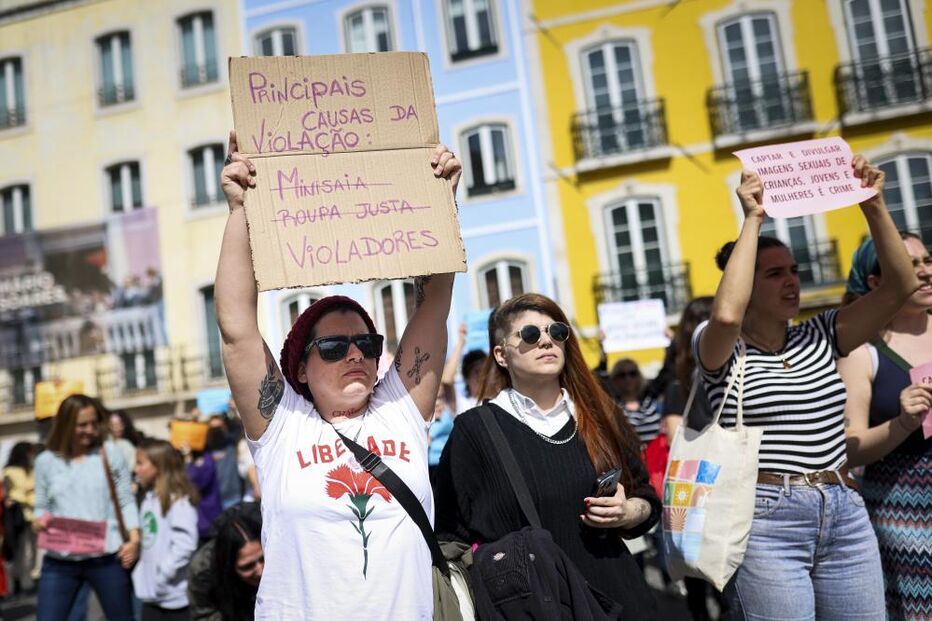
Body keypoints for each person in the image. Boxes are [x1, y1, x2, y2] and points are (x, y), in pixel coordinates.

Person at [216, 131, 461, 618]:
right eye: (332, 346)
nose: (354, 354)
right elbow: (237, 326)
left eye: (366, 344)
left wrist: (440, 206)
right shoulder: (282, 425)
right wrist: (240, 211)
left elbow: (432, 308)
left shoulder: (400, 412)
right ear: (300, 369)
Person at [694, 158, 918, 618]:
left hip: (844, 508)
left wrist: (874, 205)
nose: (792, 280)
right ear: (743, 283)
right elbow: (726, 316)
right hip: (765, 518)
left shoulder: (821, 333)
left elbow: (900, 286)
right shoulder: (719, 346)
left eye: (793, 271)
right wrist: (753, 219)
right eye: (774, 274)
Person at [435, 293, 661, 616]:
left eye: (556, 332)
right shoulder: (474, 431)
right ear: (501, 355)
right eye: (530, 334)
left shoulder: (600, 414)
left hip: (619, 600)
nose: (546, 341)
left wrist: (627, 512)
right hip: (533, 608)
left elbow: (648, 501)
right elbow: (449, 537)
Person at [837, 232, 932, 620]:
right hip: (904, 507)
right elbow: (850, 445)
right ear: (876, 284)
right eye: (910, 266)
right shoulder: (863, 352)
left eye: (927, 260)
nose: (925, 272)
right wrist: (902, 422)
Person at [34, 394, 140, 621]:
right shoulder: (45, 461)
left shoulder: (109, 453)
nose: (90, 429)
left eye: (94, 423)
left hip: (106, 557)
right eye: (82, 424)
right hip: (60, 561)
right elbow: (41, 506)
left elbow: (125, 500)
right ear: (66, 424)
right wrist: (38, 521)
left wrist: (134, 539)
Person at [660, 296, 726, 621]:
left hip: (695, 486)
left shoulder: (678, 383)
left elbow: (675, 436)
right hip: (729, 483)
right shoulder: (734, 378)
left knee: (696, 569)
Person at [132, 439, 199, 620]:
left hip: (173, 600)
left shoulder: (178, 501)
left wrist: (163, 575)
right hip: (151, 596)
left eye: (140, 463)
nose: (136, 469)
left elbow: (185, 545)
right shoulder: (149, 498)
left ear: (159, 466)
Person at [188, 502, 263, 621]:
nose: (260, 571)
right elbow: (204, 615)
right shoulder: (203, 571)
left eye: (263, 559)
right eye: (247, 566)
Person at [3, 441, 37, 595]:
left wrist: (25, 492)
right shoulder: (9, 471)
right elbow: (14, 494)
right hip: (18, 517)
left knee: (35, 551)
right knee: (20, 552)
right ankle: (18, 582)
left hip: (34, 516)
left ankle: (31, 578)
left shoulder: (32, 469)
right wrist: (28, 491)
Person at [608, 358, 662, 447]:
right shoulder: (613, 409)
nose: (628, 378)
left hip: (657, 458)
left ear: (639, 376)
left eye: (632, 373)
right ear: (615, 379)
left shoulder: (653, 405)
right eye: (622, 375)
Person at [440, 323, 488, 414]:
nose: (482, 375)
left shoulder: (499, 399)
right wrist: (461, 341)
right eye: (477, 371)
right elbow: (446, 380)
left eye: (486, 370)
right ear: (466, 377)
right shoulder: (462, 404)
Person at [205, 415, 244, 509]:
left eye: (219, 427)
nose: (216, 431)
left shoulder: (231, 442)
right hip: (213, 500)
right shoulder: (204, 449)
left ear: (225, 427)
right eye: (213, 428)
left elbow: (240, 426)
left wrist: (232, 412)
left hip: (233, 496)